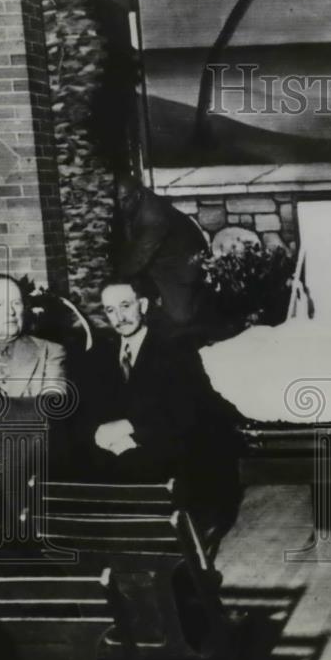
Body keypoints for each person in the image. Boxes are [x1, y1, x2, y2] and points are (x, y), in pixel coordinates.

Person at [77, 279, 243, 534]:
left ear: (142, 305)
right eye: (111, 310)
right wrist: (101, 434)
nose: (119, 317)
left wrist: (132, 428)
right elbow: (88, 407)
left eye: (125, 306)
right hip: (117, 452)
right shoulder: (98, 355)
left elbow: (189, 412)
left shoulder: (176, 350)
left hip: (164, 448)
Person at [115, 175, 214, 341]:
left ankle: (199, 334)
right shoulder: (135, 202)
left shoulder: (154, 217)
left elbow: (140, 257)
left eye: (124, 200)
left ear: (137, 195)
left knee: (181, 316)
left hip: (183, 259)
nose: (121, 206)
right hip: (161, 256)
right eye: (118, 200)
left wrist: (117, 279)